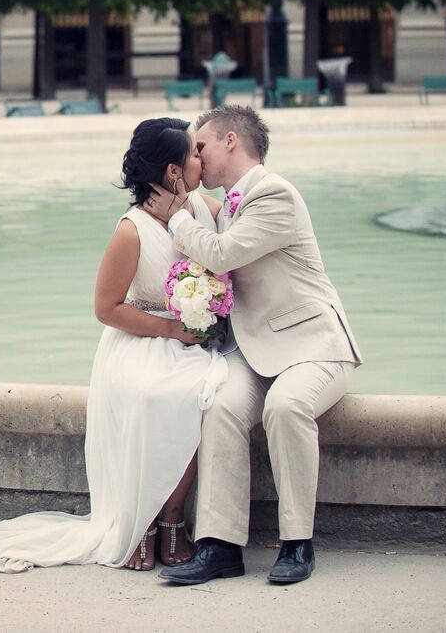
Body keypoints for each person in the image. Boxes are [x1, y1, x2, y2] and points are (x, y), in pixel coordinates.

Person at [0, 118, 227, 574]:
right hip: (141, 338)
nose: (202, 158)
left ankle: (173, 518)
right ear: (174, 170)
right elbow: (106, 308)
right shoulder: (132, 231)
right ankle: (140, 522)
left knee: (202, 394)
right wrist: (171, 330)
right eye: (195, 153)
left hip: (195, 342)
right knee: (151, 394)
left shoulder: (206, 208)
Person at [142, 105, 361, 586]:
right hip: (253, 348)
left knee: (285, 407)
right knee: (218, 406)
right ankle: (220, 547)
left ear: (229, 142)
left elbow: (223, 255)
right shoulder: (225, 205)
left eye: (199, 146)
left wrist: (177, 217)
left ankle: (297, 544)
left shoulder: (274, 193)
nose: (193, 157)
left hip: (314, 347)